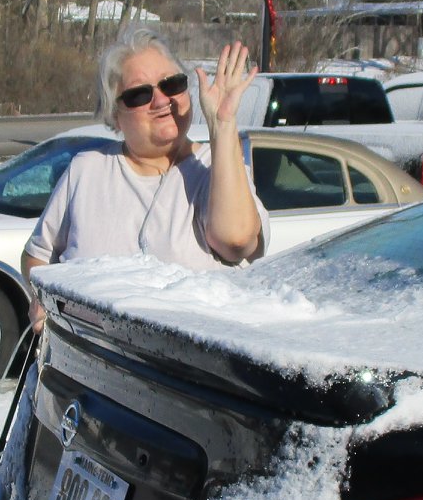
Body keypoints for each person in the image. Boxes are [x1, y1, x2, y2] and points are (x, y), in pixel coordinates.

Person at [23, 37, 267, 327]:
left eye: (172, 84)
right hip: (85, 352)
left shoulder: (216, 168)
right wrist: (40, 296)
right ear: (115, 115)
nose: (161, 101)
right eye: (139, 94)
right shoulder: (86, 170)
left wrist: (222, 124)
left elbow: (237, 241)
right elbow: (37, 256)